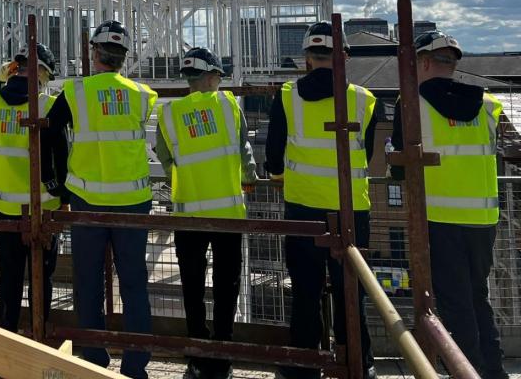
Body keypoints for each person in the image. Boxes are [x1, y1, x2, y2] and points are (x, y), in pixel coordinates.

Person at [42, 20, 158, 379]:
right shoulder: (143, 94)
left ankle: (94, 358)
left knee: (88, 281)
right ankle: (136, 366)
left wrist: (57, 182)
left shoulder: (76, 92)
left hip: (87, 199)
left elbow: (50, 131)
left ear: (94, 54)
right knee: (134, 282)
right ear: (124, 57)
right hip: (133, 200)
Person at [391, 31, 507, 379]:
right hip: (483, 218)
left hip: (438, 218)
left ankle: (466, 370)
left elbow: (398, 167)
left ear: (423, 62)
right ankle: (493, 371)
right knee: (477, 299)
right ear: (453, 63)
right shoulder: (488, 105)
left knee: (454, 306)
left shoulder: (411, 102)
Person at [265, 22, 378, 379]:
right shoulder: (364, 99)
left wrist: (281, 176)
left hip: (302, 208)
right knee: (351, 292)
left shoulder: (286, 95)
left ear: (306, 59)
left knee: (305, 290)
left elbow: (272, 159)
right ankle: (359, 364)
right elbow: (369, 152)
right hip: (351, 210)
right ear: (342, 56)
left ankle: (304, 366)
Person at [155, 48, 256, 379]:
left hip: (188, 215)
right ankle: (223, 359)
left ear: (188, 78)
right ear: (211, 75)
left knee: (192, 289)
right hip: (228, 213)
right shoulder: (228, 105)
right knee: (227, 288)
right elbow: (245, 155)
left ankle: (197, 358)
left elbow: (165, 158)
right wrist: (249, 179)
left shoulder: (170, 114)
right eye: (218, 76)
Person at [0, 42, 59, 333]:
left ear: (14, 68)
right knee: (42, 278)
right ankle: (39, 332)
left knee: (9, 278)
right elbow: (62, 154)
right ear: (42, 73)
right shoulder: (49, 105)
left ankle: (8, 332)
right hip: (44, 209)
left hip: (5, 208)